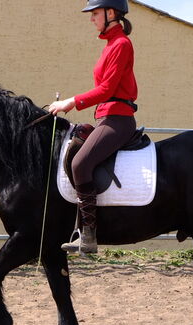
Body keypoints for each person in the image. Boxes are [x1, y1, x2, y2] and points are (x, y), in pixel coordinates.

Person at [48, 0, 138, 254]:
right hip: (106, 117)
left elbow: (107, 90)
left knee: (80, 164)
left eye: (95, 13)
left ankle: (88, 235)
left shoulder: (121, 44)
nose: (91, 19)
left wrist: (71, 102)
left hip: (118, 120)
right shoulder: (110, 45)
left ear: (111, 13)